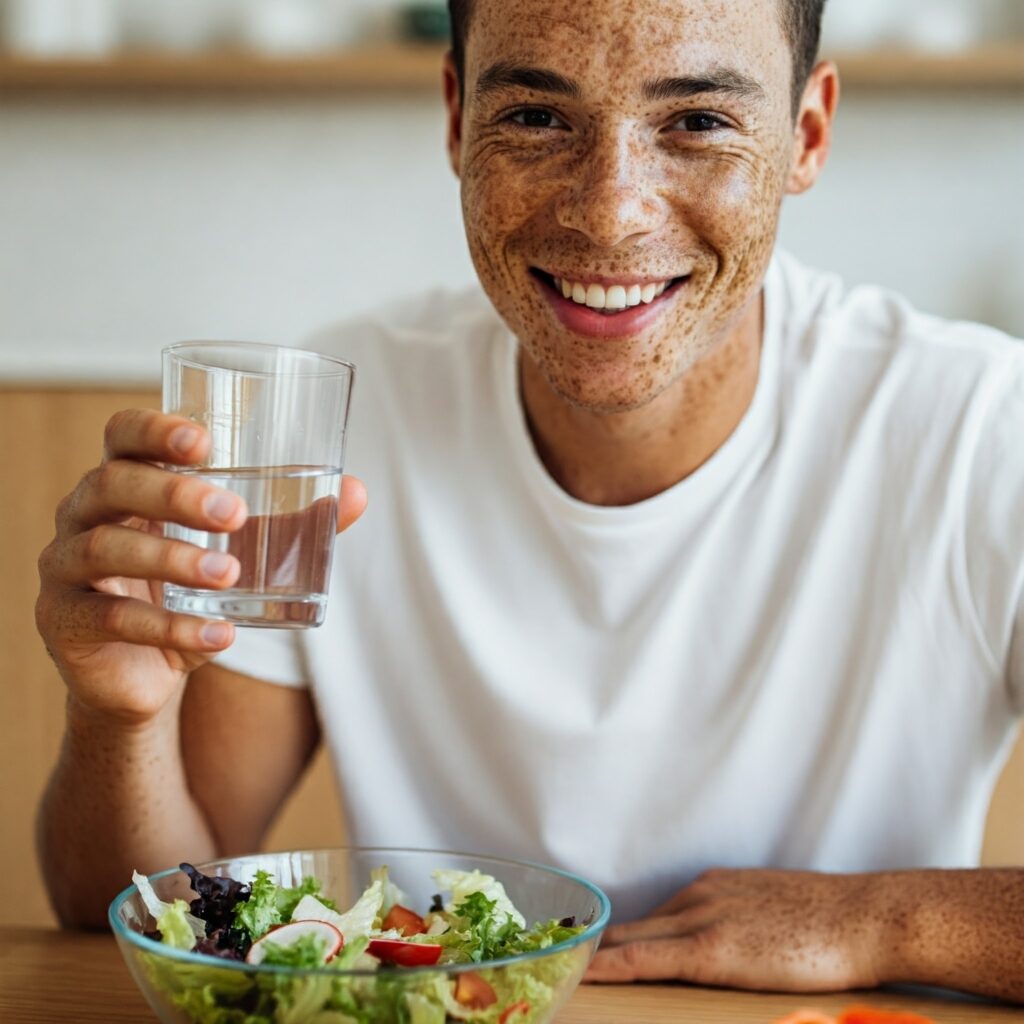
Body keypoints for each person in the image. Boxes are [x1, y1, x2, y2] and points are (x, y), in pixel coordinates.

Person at [35, 0, 1024, 1004]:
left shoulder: (982, 429)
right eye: (541, 120)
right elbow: (138, 906)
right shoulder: (336, 422)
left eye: (696, 123)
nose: (610, 211)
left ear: (805, 134)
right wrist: (117, 720)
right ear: (459, 122)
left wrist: (879, 916)